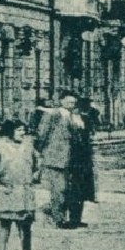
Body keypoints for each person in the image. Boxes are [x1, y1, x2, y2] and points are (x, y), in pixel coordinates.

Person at [0, 118, 42, 250]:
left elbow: (37, 164)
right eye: (19, 130)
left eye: (23, 130)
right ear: (10, 131)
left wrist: (35, 176)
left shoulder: (29, 146)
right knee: (5, 223)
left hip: (24, 190)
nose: (22, 133)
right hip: (7, 190)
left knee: (25, 225)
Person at [34, 92, 77, 228]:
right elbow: (42, 133)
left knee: (65, 190)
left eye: (73, 103)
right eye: (69, 102)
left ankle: (55, 213)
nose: (71, 105)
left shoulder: (72, 116)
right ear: (62, 101)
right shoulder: (52, 114)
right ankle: (58, 218)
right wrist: (41, 152)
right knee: (59, 189)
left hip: (68, 159)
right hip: (55, 158)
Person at [66, 98, 97, 228]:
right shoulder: (67, 120)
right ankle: (71, 219)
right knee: (72, 189)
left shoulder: (86, 119)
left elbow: (90, 135)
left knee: (83, 190)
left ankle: (78, 218)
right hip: (71, 159)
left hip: (84, 160)